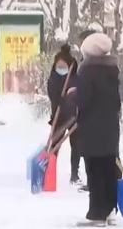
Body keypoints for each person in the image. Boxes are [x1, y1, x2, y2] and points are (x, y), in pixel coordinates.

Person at [74, 33, 123, 226]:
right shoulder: (113, 70)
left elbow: (84, 100)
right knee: (109, 169)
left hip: (92, 128)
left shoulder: (87, 71)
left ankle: (96, 214)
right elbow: (118, 100)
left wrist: (73, 96)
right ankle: (110, 211)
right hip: (110, 127)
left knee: (94, 170)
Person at [46, 44, 81, 185]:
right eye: (58, 66)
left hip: (73, 116)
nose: (60, 69)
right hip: (59, 116)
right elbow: (52, 94)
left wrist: (71, 99)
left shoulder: (74, 78)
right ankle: (49, 172)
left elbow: (78, 94)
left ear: (69, 66)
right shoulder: (53, 78)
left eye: (63, 66)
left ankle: (74, 174)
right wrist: (59, 100)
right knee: (55, 144)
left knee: (76, 146)